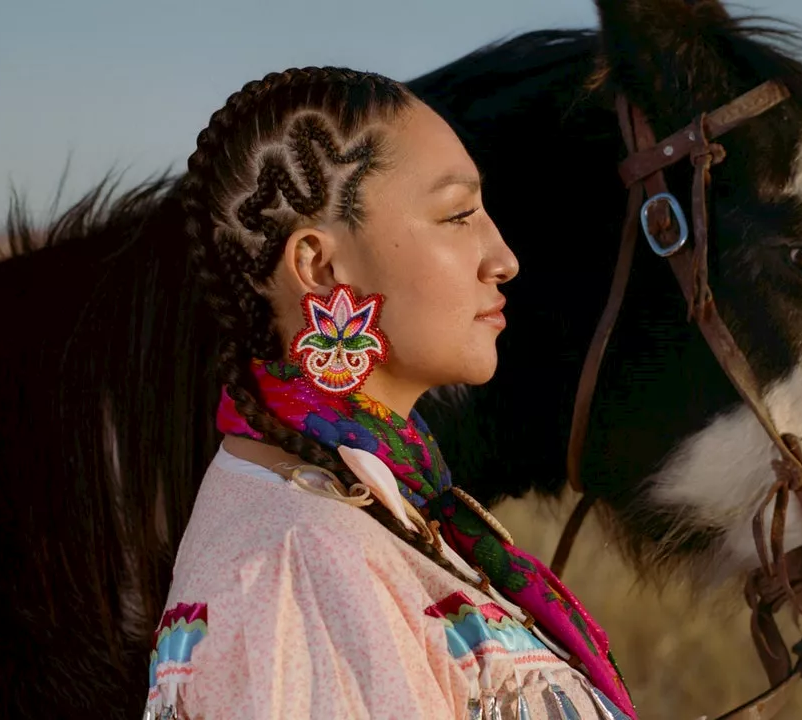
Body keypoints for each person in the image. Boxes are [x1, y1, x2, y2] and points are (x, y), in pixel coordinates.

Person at [140, 66, 637, 720]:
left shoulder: (356, 499)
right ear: (320, 266)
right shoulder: (301, 566)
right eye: (458, 215)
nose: (504, 258)